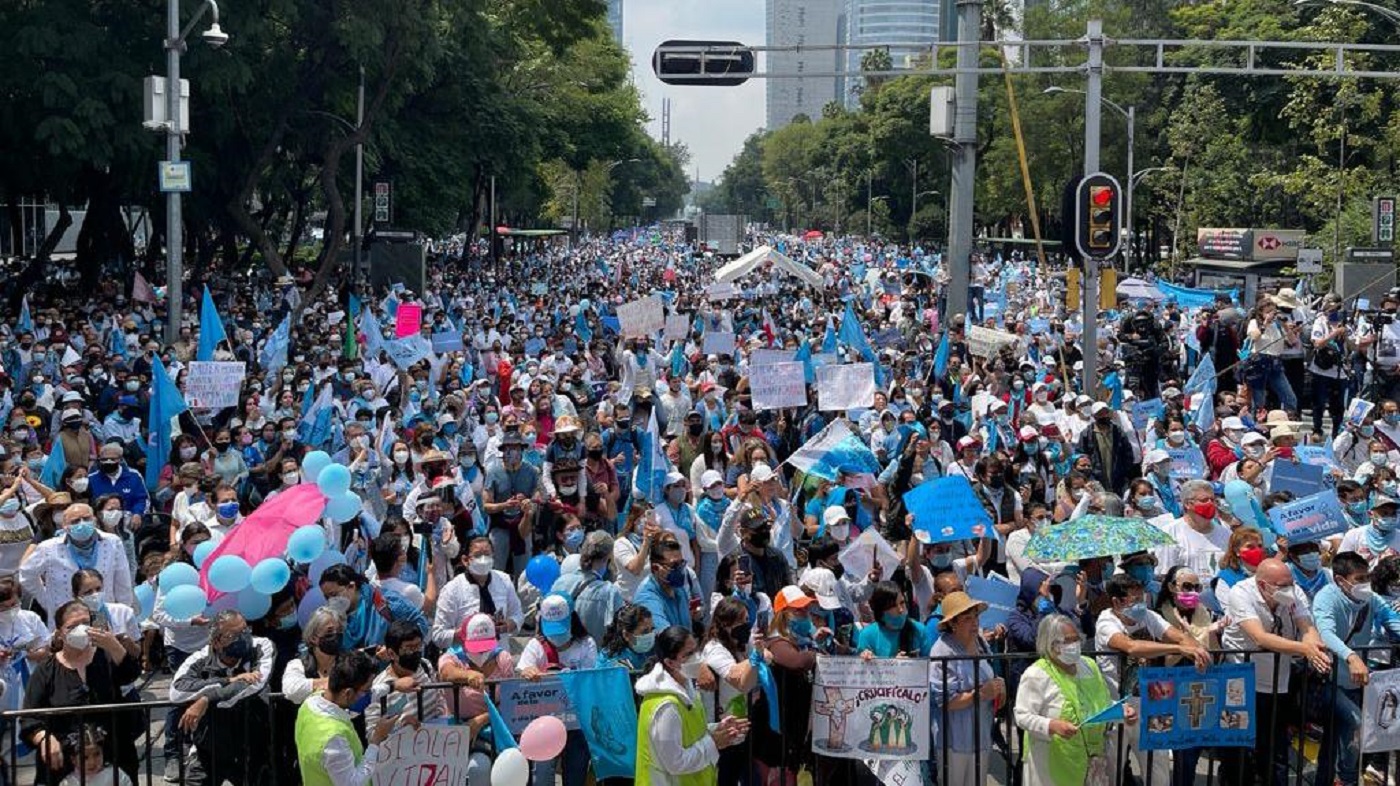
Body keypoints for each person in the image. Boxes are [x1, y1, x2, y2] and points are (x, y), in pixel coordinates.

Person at [1220, 558, 1331, 786]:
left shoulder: (1294, 592)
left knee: (1274, 747)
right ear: (1263, 585)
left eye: (1289, 583)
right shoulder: (1240, 593)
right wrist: (1305, 649)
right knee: (1237, 747)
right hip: (1240, 679)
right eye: (1282, 586)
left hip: (1278, 679)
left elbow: (1307, 627)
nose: (1289, 589)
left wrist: (1314, 646)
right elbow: (1259, 637)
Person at [22, 600, 142, 786]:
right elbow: (29, 717)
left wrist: (113, 644)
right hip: (64, 764)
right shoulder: (46, 670)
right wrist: (45, 739)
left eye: (86, 623)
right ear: (60, 632)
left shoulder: (107, 656)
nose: (81, 629)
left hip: (113, 758)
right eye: (72, 626)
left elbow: (130, 674)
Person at [1014, 614, 1130, 786]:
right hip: (1051, 763)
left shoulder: (1089, 666)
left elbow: (1101, 704)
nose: (1074, 646)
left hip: (1090, 759)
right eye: (1067, 641)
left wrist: (1121, 711)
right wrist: (1052, 725)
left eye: (1076, 639)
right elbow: (1022, 716)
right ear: (1050, 644)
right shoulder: (1036, 674)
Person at [168, 609, 275, 786]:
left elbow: (255, 684)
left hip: (251, 746)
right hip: (209, 748)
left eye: (245, 630)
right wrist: (228, 680)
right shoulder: (200, 658)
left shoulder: (261, 646)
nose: (243, 637)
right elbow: (177, 691)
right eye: (233, 635)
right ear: (216, 642)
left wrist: (206, 698)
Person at [634, 625, 749, 786]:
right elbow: (675, 763)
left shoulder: (687, 687)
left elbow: (691, 733)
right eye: (688, 655)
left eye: (696, 650)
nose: (697, 658)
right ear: (669, 662)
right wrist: (714, 742)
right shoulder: (666, 707)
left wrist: (719, 729)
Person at [294, 650, 407, 786]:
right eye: (367, 690)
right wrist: (377, 739)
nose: (369, 693)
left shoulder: (310, 703)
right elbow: (353, 783)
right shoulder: (334, 738)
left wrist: (392, 686)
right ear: (347, 693)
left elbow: (360, 699)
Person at [929, 591, 1003, 784]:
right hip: (954, 742)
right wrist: (980, 694)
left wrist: (998, 688)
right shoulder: (942, 650)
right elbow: (944, 701)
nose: (975, 623)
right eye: (967, 618)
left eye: (976, 616)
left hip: (981, 736)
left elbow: (989, 680)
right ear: (952, 623)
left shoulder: (980, 642)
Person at [430, 535, 523, 649]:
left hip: (499, 656)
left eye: (487, 554)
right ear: (465, 560)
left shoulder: (504, 580)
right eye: (478, 555)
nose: (483, 560)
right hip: (465, 659)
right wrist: (464, 632)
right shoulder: (452, 589)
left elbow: (517, 614)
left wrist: (508, 625)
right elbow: (438, 635)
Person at [319, 564, 428, 650]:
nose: (330, 601)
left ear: (351, 586)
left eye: (334, 595)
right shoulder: (333, 619)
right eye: (326, 597)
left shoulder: (386, 602)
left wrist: (394, 649)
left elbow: (420, 625)